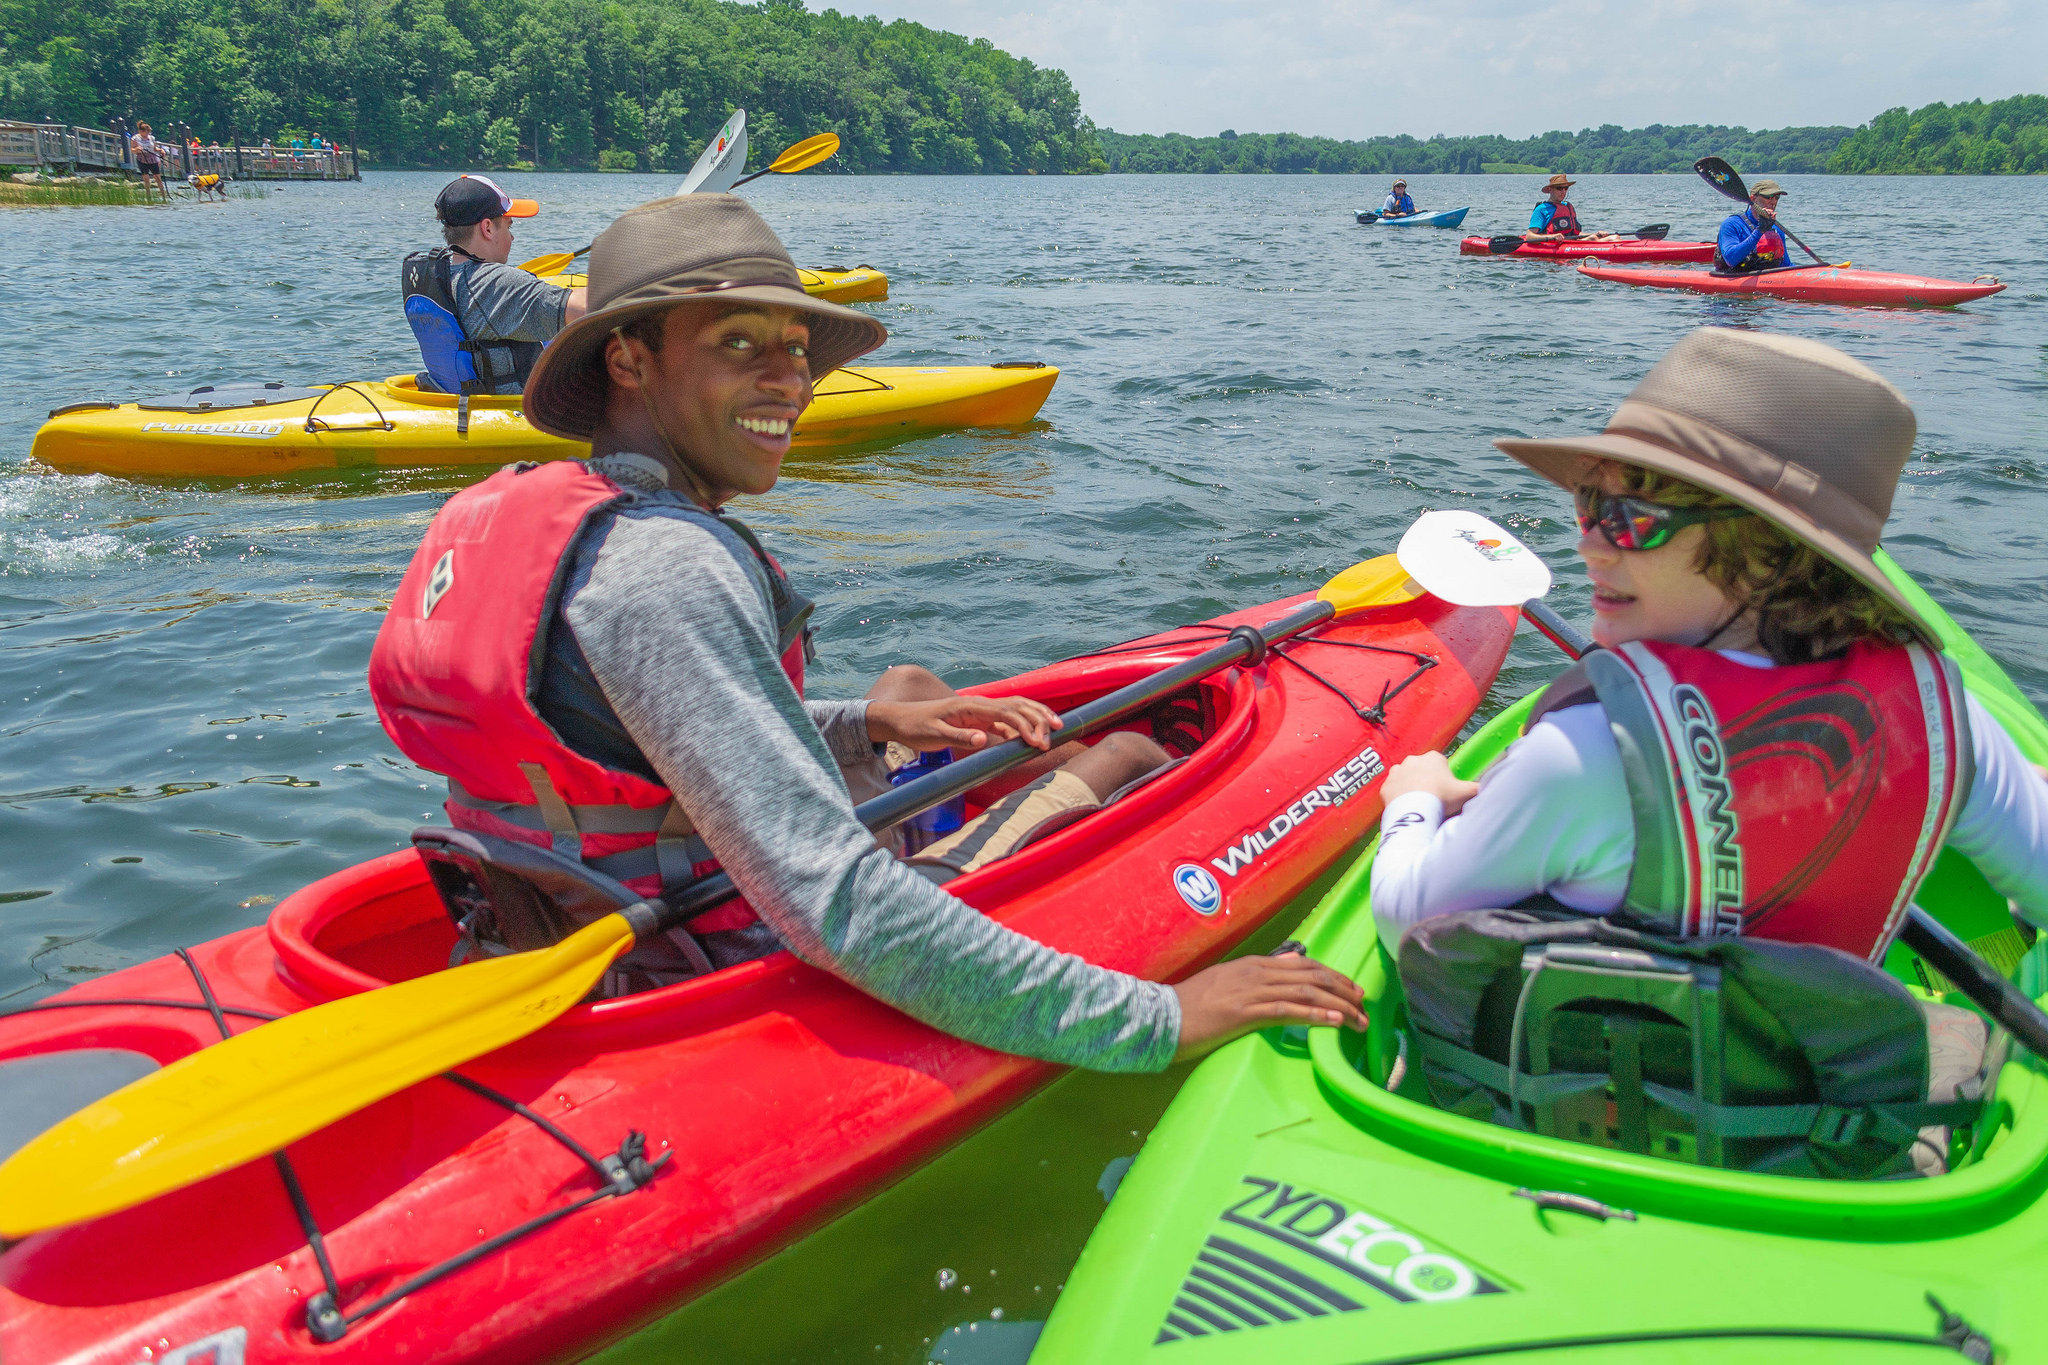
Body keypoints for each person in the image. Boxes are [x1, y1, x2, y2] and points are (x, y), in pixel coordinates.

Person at [369, 193, 1367, 1071]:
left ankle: (943, 754)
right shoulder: (667, 565)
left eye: (796, 351)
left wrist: (862, 724)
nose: (788, 382)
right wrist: (1159, 1016)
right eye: (738, 345)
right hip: (707, 958)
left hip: (566, 916)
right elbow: (834, 904)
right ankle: (1072, 805)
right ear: (628, 358)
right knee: (1129, 748)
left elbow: (626, 736)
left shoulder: (545, 519)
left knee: (912, 686)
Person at [1370, 328, 2048, 961]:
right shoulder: (1944, 721)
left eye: (1632, 519)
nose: (1589, 544)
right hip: (1848, 1076)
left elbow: (1408, 917)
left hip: (1615, 1084)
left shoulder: (1583, 753)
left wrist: (1415, 797)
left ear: (1764, 551)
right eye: (1588, 504)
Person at [402, 174, 588, 400]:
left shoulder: (438, 277)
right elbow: (588, 308)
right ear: (487, 228)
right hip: (515, 414)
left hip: (463, 404)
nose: (512, 237)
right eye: (509, 226)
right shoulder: (494, 284)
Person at [1715, 178, 1792, 273]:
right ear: (1752, 199)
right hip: (1734, 277)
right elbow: (1731, 259)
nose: (1773, 202)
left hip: (1767, 280)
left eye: (1777, 197)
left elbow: (1786, 265)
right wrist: (1760, 231)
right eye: (1768, 197)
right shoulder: (1731, 224)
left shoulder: (1776, 229)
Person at [1523, 172, 1615, 242]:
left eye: (1566, 188)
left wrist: (1596, 234)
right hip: (1553, 245)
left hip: (1572, 243)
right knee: (1595, 238)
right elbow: (1530, 236)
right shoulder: (1542, 209)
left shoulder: (1568, 207)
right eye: (1559, 188)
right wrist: (1553, 237)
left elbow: (1575, 233)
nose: (1563, 192)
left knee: (1614, 237)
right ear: (1550, 189)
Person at [129, 121, 168, 202]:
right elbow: (132, 149)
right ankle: (148, 197)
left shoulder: (151, 138)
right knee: (146, 178)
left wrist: (161, 150)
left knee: (158, 178)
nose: (147, 135)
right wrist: (136, 149)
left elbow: (154, 148)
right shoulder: (135, 138)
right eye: (146, 133)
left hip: (152, 158)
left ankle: (164, 197)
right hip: (142, 159)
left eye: (148, 133)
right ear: (140, 131)